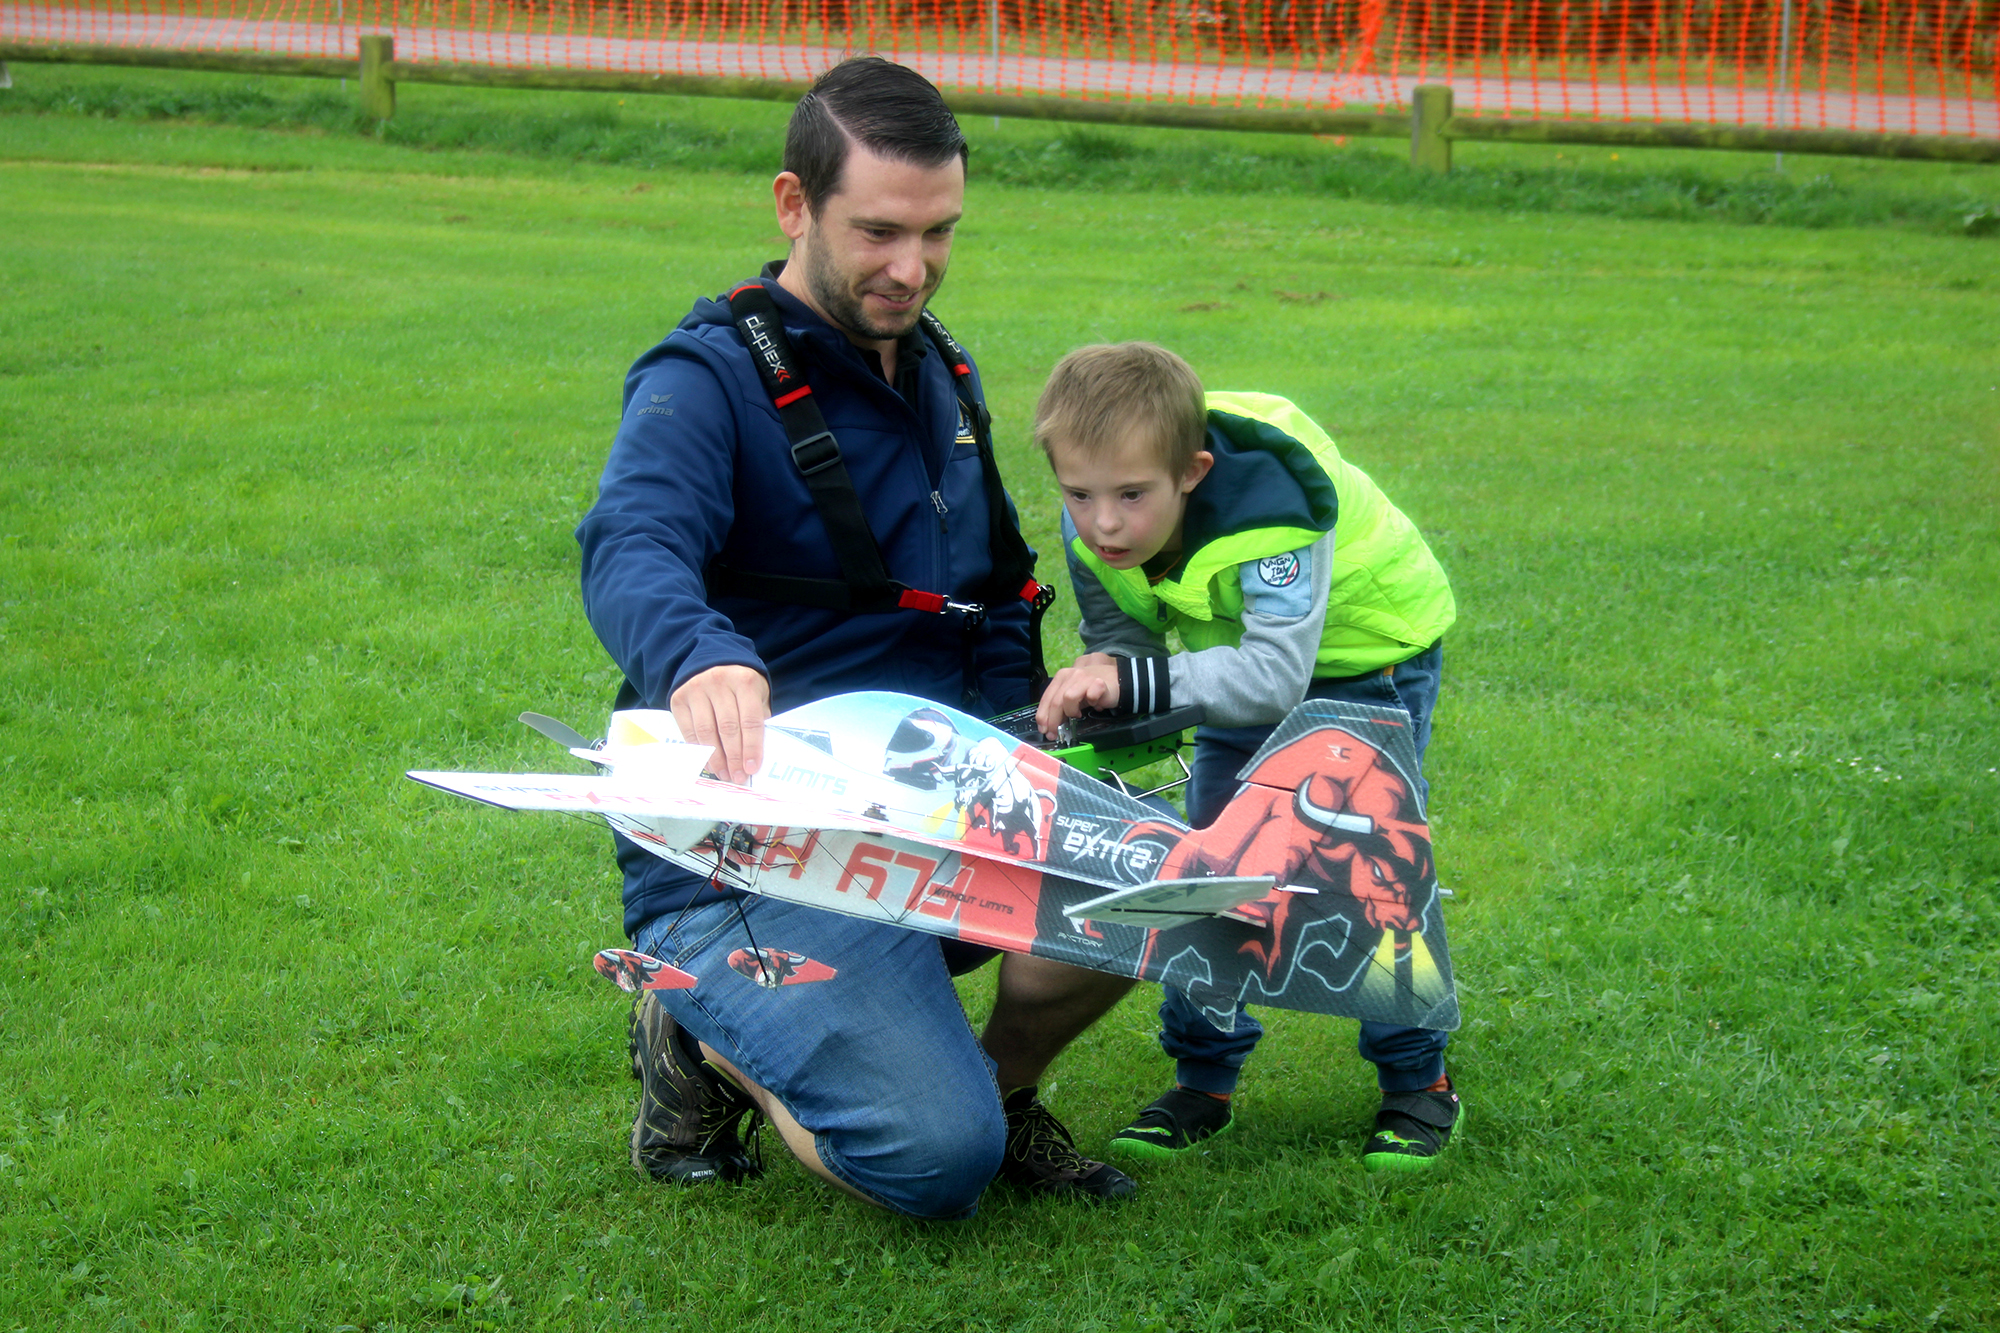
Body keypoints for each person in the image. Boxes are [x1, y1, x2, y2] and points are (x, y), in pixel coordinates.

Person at [573, 58, 1140, 1219]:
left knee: (1157, 886)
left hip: (931, 805)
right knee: (931, 1166)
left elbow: (988, 592)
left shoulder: (939, 367)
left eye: (938, 235)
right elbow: (629, 540)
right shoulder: (707, 377)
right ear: (794, 206)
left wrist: (1047, 727)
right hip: (756, 842)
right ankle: (696, 1025)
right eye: (878, 232)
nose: (911, 268)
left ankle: (996, 1087)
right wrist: (697, 652)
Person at [1030, 342, 1462, 1172]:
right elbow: (1125, 641)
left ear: (1191, 471)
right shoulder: (1096, 522)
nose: (1103, 523)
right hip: (1234, 667)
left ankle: (1418, 1083)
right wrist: (1096, 686)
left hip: (1365, 665)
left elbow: (1274, 677)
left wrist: (1135, 679)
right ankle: (1203, 1082)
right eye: (1078, 494)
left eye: (1130, 496)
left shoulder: (1272, 510)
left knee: (1370, 875)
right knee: (1211, 876)